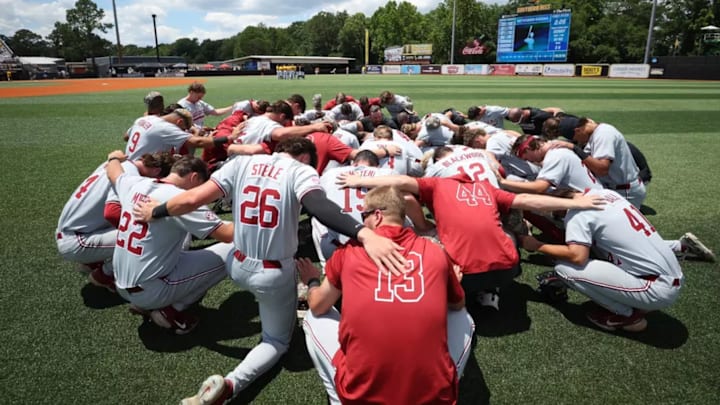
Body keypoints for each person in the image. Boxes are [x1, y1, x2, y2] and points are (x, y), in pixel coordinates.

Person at [131, 138, 406, 404]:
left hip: (236, 262)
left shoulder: (243, 163)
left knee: (220, 253)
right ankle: (230, 384)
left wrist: (157, 211)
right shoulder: (301, 170)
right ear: (304, 157)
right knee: (275, 341)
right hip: (272, 274)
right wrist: (363, 233)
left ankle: (176, 304)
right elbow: (318, 206)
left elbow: (192, 199)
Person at [300, 186, 475, 405]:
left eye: (364, 216)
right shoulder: (435, 252)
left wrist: (312, 281)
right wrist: (447, 281)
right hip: (433, 397)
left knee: (312, 317)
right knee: (464, 317)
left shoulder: (349, 251)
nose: (361, 223)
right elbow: (458, 304)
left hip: (361, 395)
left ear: (377, 215)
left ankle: (338, 400)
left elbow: (317, 305)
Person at [337, 172, 607, 308]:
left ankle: (442, 299)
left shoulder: (439, 183)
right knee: (509, 230)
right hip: (509, 272)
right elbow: (527, 200)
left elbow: (403, 183)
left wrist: (359, 179)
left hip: (463, 278)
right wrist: (577, 202)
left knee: (424, 239)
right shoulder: (488, 187)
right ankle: (491, 292)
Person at [519, 189, 683, 332]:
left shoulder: (576, 214)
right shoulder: (606, 193)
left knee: (564, 268)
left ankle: (626, 315)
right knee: (596, 250)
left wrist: (538, 245)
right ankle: (636, 302)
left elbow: (577, 256)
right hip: (671, 275)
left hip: (655, 288)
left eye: (555, 213)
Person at [105, 152, 234, 334]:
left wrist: (114, 158)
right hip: (150, 290)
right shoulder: (180, 199)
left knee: (182, 236)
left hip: (120, 283)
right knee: (234, 249)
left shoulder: (137, 183)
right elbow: (228, 235)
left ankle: (148, 303)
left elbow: (114, 172)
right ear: (194, 177)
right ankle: (171, 310)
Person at [56, 153, 175, 289]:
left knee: (134, 225)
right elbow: (112, 213)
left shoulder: (118, 164)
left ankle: (92, 263)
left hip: (75, 231)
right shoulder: (129, 174)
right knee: (149, 236)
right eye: (158, 179)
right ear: (157, 171)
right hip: (77, 240)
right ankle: (103, 275)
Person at [569, 117, 647, 208]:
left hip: (625, 192)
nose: (578, 142)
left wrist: (576, 149)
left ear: (578, 130)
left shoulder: (603, 134)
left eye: (576, 139)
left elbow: (601, 169)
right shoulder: (595, 134)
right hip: (615, 188)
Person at [124, 108, 237, 160]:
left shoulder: (145, 119)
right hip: (142, 169)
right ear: (179, 122)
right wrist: (229, 137)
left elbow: (126, 137)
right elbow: (197, 142)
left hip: (127, 162)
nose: (182, 132)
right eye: (183, 128)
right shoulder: (165, 127)